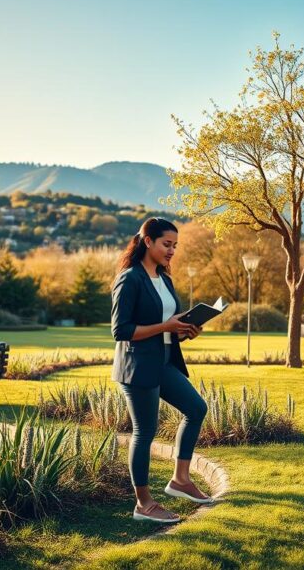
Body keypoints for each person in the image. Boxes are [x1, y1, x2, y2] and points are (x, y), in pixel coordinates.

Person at [111, 217, 211, 523]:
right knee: (145, 432)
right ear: (148, 241)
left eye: (175, 246)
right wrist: (165, 326)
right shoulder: (130, 279)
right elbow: (121, 330)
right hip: (138, 365)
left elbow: (166, 323)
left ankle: (180, 480)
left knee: (196, 408)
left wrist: (183, 329)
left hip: (164, 360)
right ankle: (143, 504)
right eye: (167, 245)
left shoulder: (165, 279)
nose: (172, 251)